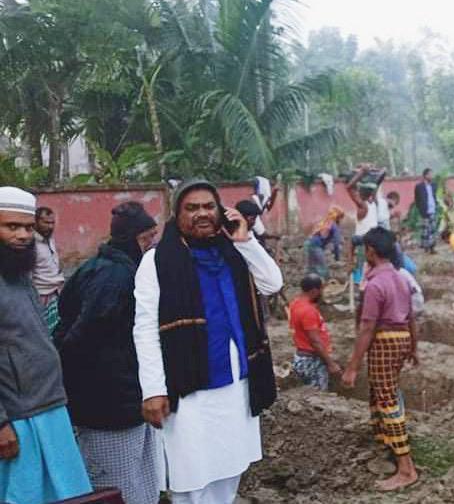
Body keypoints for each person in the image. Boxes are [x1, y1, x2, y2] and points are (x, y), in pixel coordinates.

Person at [133, 180, 282, 503]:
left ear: (220, 211)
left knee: (231, 469)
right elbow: (144, 329)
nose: (201, 214)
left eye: (208, 206)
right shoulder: (156, 261)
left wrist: (247, 241)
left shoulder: (234, 252)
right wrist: (154, 390)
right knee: (192, 477)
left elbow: (272, 283)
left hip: (237, 382)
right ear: (177, 215)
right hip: (190, 388)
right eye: (191, 208)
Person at [56, 202, 161, 504]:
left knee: (141, 479)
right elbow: (83, 336)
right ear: (133, 239)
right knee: (116, 484)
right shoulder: (113, 277)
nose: (151, 245)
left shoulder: (115, 268)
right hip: (107, 403)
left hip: (128, 396)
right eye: (147, 238)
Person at [0, 186, 92, 503]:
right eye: (12, 227)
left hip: (49, 408)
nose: (23, 235)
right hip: (18, 419)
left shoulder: (18, 274)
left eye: (28, 227)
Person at [341, 228, 419, 491]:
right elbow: (411, 318)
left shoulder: (376, 285)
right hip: (401, 338)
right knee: (381, 391)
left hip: (384, 340)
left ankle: (406, 468)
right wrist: (414, 348)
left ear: (371, 251)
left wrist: (352, 366)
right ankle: (386, 444)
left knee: (386, 398)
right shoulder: (401, 278)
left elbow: (367, 328)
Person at [289, 274, 340, 390]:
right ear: (314, 291)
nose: (322, 293)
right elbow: (315, 341)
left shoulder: (295, 304)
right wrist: (330, 363)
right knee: (318, 397)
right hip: (312, 361)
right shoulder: (308, 311)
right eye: (321, 290)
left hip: (302, 358)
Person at [348, 165, 386, 286]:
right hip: (375, 240)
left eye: (359, 191)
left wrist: (362, 173)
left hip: (363, 242)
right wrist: (382, 173)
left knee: (362, 273)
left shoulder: (363, 206)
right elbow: (377, 184)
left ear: (361, 193)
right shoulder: (374, 201)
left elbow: (348, 187)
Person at [33, 206, 65, 332]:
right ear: (36, 221)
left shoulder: (49, 239)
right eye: (46, 222)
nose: (50, 226)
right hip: (40, 296)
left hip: (55, 292)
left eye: (52, 223)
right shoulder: (30, 244)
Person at [304, 206, 344, 280]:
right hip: (316, 246)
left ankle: (309, 286)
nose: (341, 220)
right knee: (323, 269)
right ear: (338, 217)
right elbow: (336, 242)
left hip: (309, 244)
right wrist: (337, 257)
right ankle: (324, 286)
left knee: (311, 268)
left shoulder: (326, 222)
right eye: (341, 218)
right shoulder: (334, 226)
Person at [414, 169, 438, 253]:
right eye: (430, 174)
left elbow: (434, 196)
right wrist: (421, 209)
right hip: (424, 211)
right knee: (425, 230)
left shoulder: (434, 185)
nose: (432, 176)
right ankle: (426, 247)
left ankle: (432, 247)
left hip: (433, 210)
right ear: (425, 175)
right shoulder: (419, 186)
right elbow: (416, 199)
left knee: (433, 230)